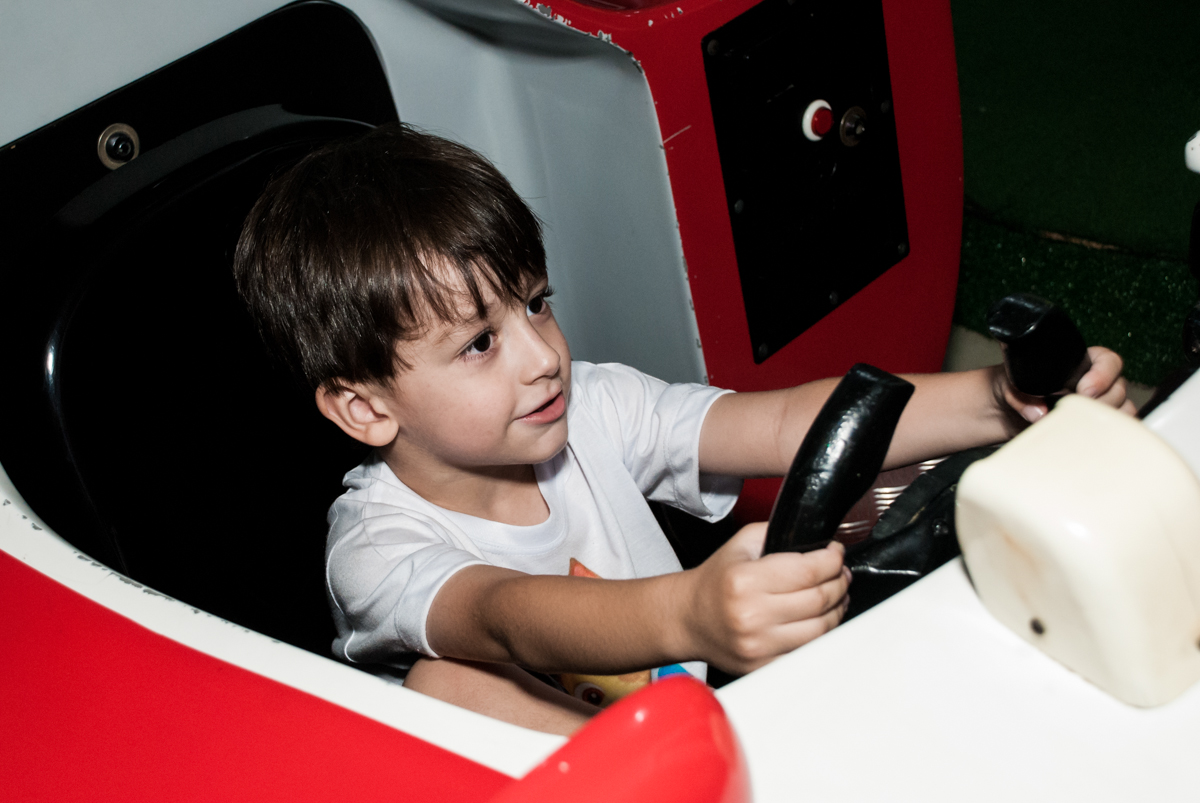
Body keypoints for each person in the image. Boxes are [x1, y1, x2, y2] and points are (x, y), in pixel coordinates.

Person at [232, 123, 1133, 736]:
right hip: (549, 770)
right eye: (479, 344)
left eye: (538, 305)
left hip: (702, 708)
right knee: (450, 679)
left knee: (899, 538)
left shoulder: (580, 406)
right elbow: (503, 617)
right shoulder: (376, 549)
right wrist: (691, 612)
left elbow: (777, 422)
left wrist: (999, 400)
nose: (542, 355)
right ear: (366, 407)